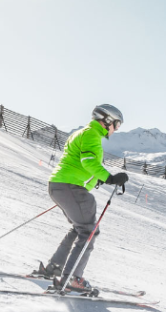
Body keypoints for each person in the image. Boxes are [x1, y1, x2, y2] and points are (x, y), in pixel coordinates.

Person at [35, 104, 129, 292]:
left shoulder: (82, 133)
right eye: (116, 125)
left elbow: (77, 162)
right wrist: (109, 178)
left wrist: (94, 181)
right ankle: (72, 278)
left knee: (79, 229)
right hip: (69, 187)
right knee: (88, 231)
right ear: (107, 120)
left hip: (59, 185)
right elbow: (88, 162)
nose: (116, 129)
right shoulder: (92, 135)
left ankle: (56, 267)